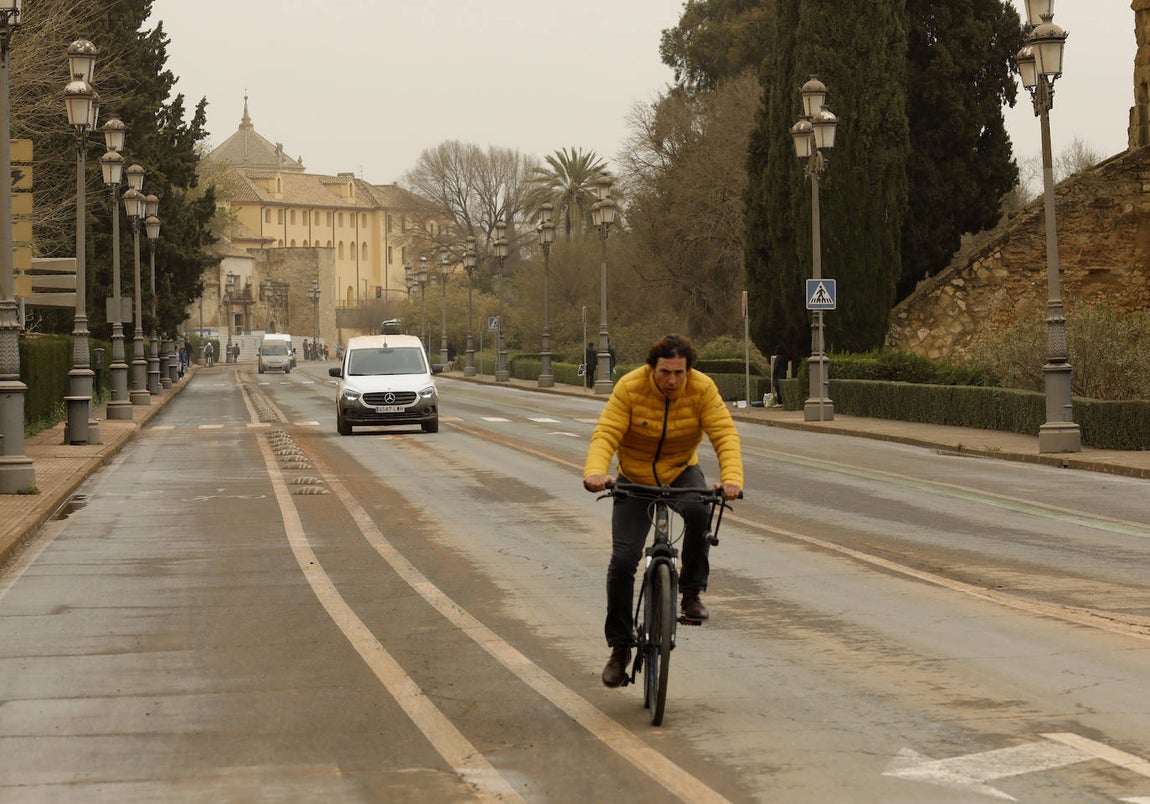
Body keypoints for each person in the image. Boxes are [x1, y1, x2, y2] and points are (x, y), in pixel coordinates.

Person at [582, 334, 744, 687]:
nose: (672, 380)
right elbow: (606, 433)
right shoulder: (630, 387)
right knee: (623, 562)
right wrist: (595, 472)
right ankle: (620, 648)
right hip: (635, 477)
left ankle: (691, 593)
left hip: (681, 470)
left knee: (701, 510)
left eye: (679, 373)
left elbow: (724, 435)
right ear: (651, 369)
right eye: (665, 372)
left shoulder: (702, 389)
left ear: (689, 371)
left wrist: (732, 478)